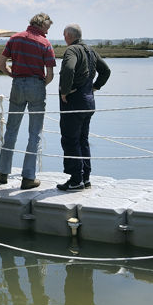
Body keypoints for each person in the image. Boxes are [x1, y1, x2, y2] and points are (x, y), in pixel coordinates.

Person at [0, 12, 56, 189]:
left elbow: (0, 64)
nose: (48, 31)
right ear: (41, 25)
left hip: (17, 84)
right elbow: (51, 74)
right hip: (36, 85)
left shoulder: (14, 39)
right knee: (34, 133)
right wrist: (39, 84)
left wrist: (13, 75)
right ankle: (28, 177)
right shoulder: (45, 43)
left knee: (11, 130)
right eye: (48, 27)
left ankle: (3, 173)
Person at [57, 24, 110, 191]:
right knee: (83, 139)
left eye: (64, 35)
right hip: (88, 102)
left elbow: (69, 68)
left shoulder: (72, 50)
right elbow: (106, 70)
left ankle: (75, 180)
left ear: (68, 36)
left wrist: (65, 91)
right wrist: (95, 87)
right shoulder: (91, 51)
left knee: (70, 139)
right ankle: (85, 178)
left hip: (73, 102)